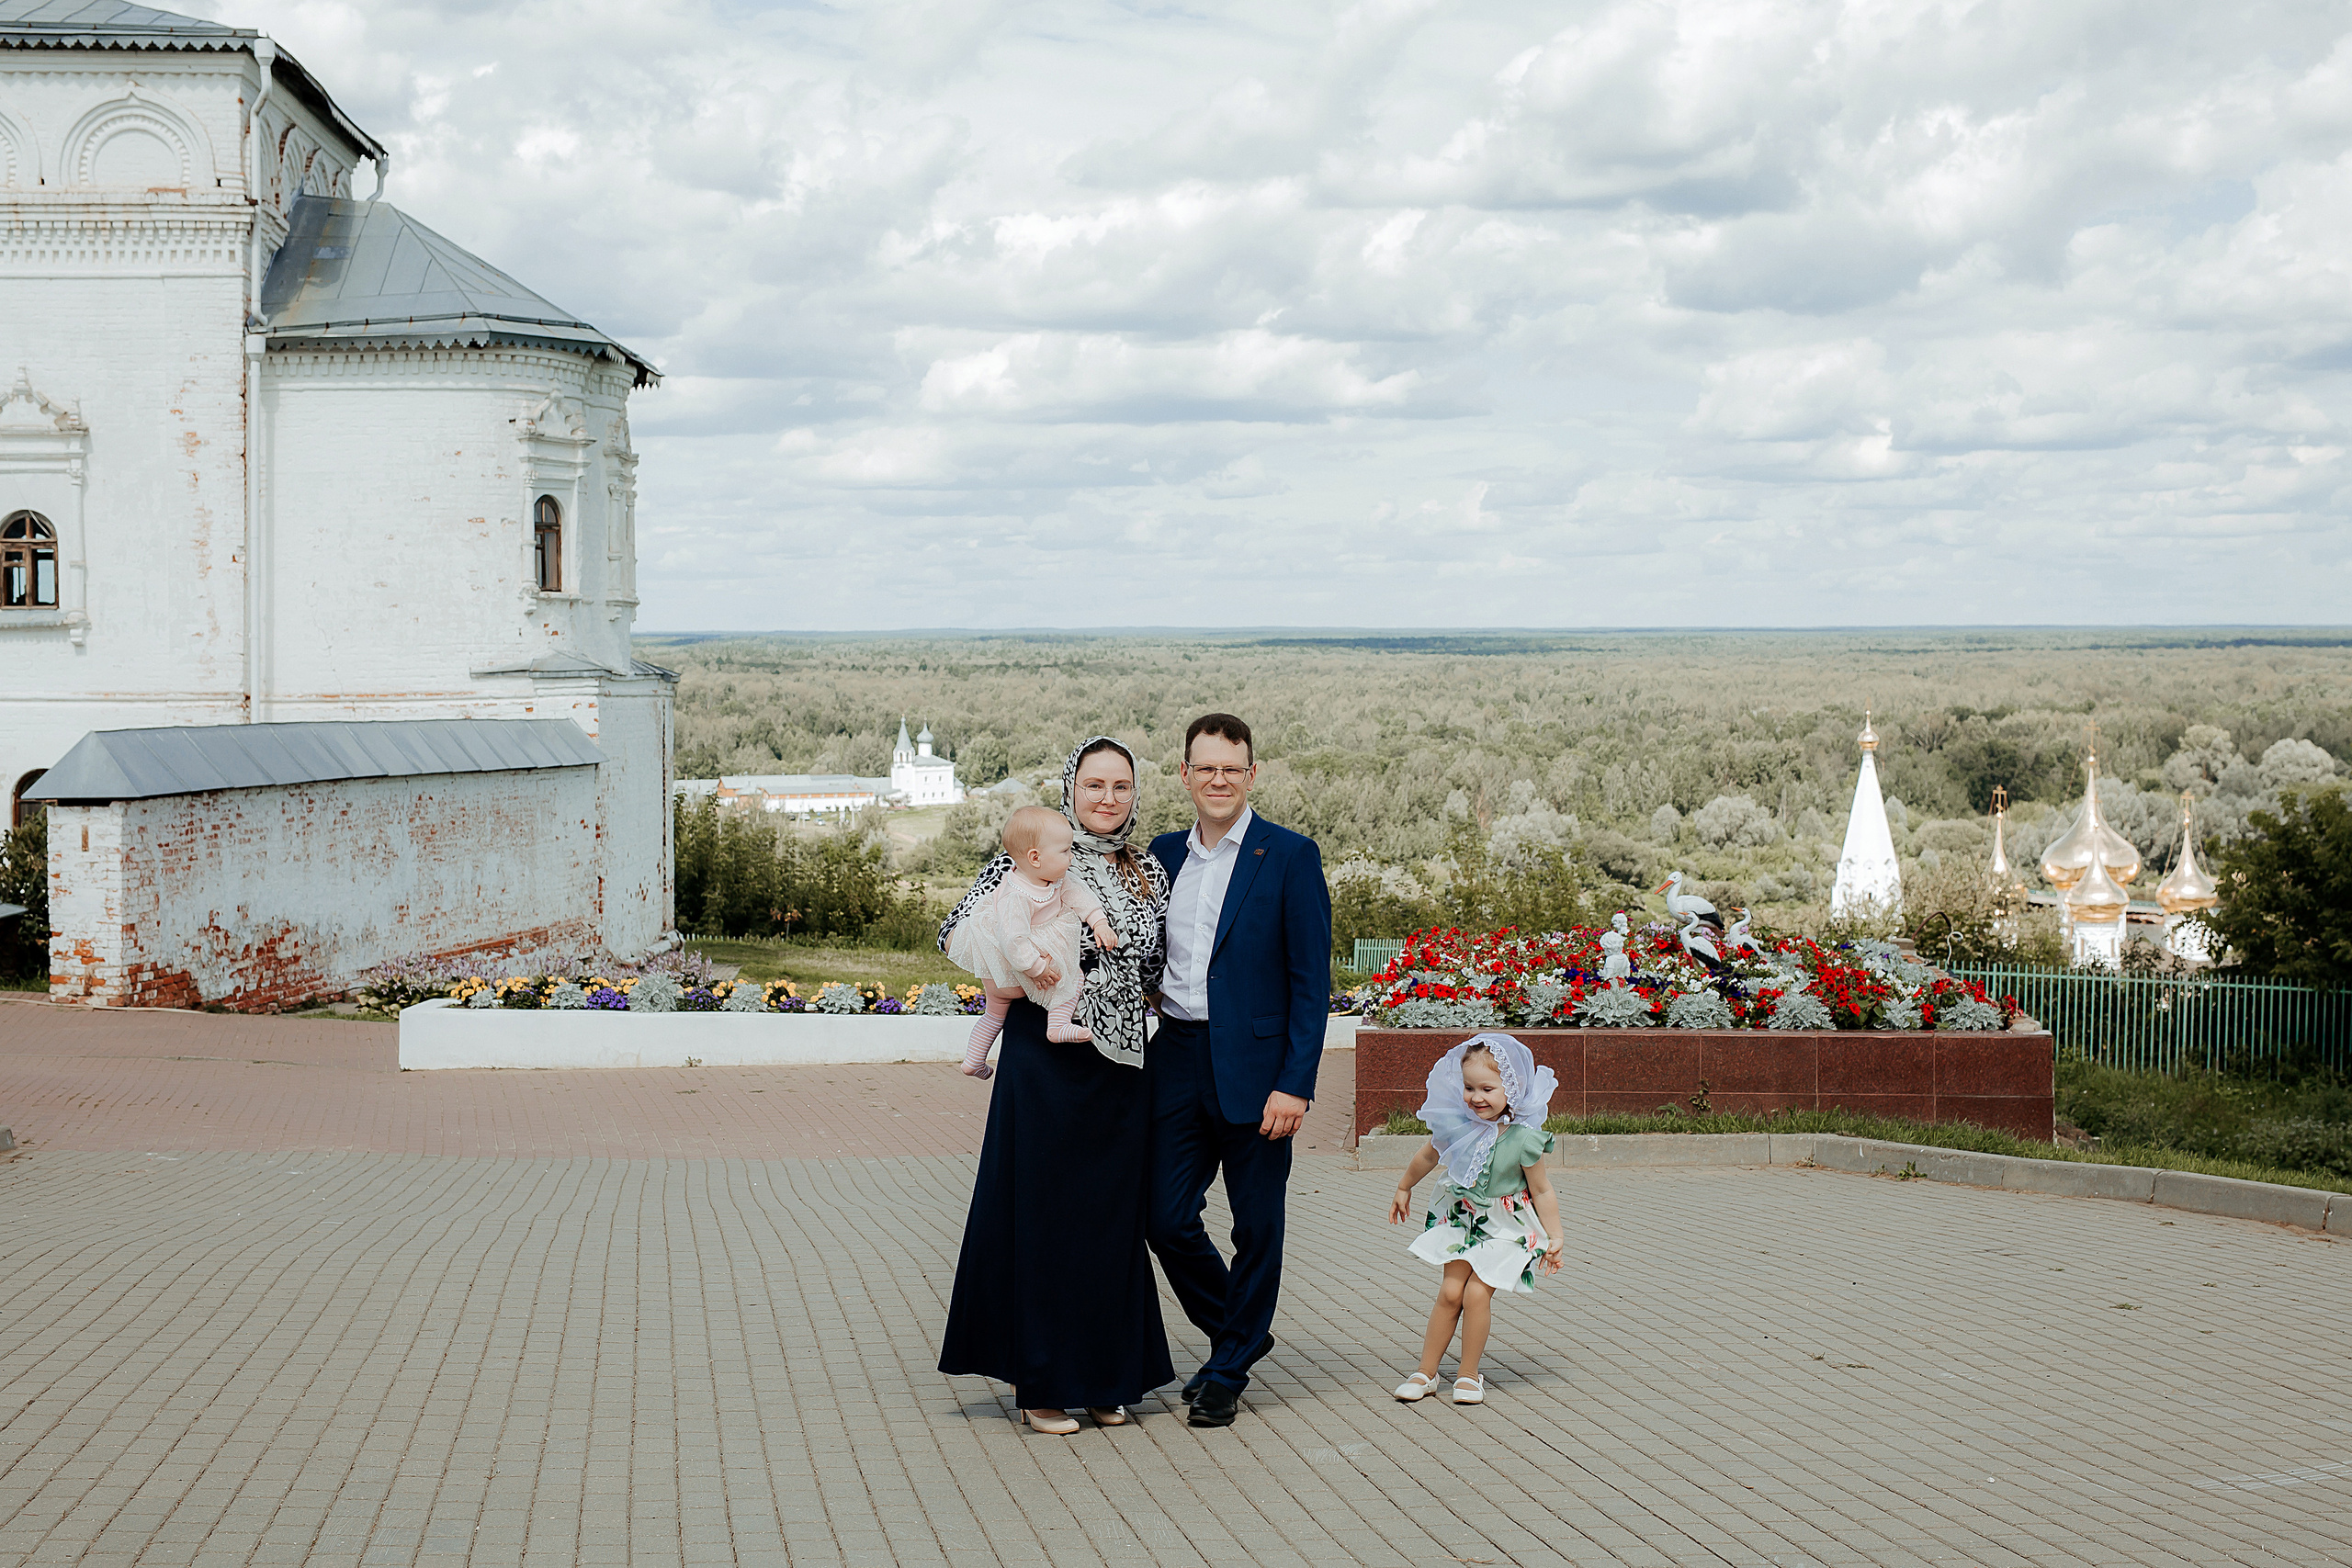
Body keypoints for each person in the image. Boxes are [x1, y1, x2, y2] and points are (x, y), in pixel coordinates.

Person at [936, 738, 1175, 1436]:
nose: (1108, 798)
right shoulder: (1023, 862)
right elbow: (958, 928)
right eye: (1095, 784)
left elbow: (1160, 963)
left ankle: (1105, 1377)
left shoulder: (1150, 872)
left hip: (1122, 1067)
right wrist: (1026, 970)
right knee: (1043, 1218)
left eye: (1121, 786)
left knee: (1110, 1222)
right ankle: (1040, 1382)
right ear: (1071, 789)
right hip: (1046, 1064)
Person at [1146, 712, 1331, 1429]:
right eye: (1205, 767)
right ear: (1185, 774)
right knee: (1163, 1216)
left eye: (1232, 767)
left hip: (1259, 1072)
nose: (1218, 779)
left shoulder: (1288, 855)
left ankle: (1225, 1370)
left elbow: (1310, 984)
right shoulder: (1162, 855)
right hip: (1177, 1057)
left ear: (1252, 774)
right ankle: (1242, 1329)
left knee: (1256, 1225)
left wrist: (1296, 1082)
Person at [1386, 1032, 1566, 1406]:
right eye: (1469, 1087)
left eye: (1487, 1088)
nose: (1476, 1097)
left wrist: (1555, 1236)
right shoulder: (1457, 1124)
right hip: (1464, 1218)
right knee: (1451, 1292)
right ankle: (1426, 1372)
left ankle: (1468, 1375)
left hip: (1507, 1226)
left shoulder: (1524, 1139)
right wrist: (1404, 1187)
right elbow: (1427, 1156)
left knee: (1476, 1293)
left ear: (1511, 1090)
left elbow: (1543, 1190)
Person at [948, 805, 1124, 1070]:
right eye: (1065, 851)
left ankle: (973, 1061)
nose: (1072, 858)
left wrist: (1099, 923)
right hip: (1017, 970)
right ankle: (1059, 1025)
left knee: (994, 1016)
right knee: (1072, 977)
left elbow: (1080, 897)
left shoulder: (1051, 879)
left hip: (997, 975)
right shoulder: (1016, 897)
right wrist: (1037, 968)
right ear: (1035, 857)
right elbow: (1013, 940)